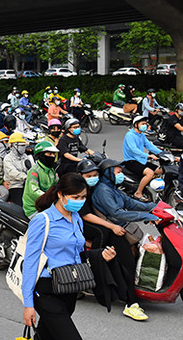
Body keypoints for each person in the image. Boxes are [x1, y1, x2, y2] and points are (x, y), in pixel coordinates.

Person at [22, 173, 116, 339]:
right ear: (61, 194)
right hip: (46, 290)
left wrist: (101, 255)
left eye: (83, 197)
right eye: (75, 197)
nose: (80, 201)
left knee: (47, 335)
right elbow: (30, 262)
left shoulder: (76, 218)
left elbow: (77, 254)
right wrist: (28, 305)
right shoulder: (43, 220)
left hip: (69, 286)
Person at [87, 158, 152, 321]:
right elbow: (117, 213)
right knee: (128, 264)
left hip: (121, 228)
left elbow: (131, 203)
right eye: (118, 172)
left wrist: (155, 207)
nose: (121, 175)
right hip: (113, 231)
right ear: (109, 173)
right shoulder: (103, 191)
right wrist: (147, 216)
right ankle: (131, 304)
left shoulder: (112, 188)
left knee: (136, 255)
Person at [123, 116, 163, 200]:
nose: (145, 125)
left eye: (145, 124)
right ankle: (138, 192)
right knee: (150, 173)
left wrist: (163, 153)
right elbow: (134, 149)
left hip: (141, 160)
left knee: (160, 170)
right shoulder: (130, 135)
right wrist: (148, 156)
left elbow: (150, 146)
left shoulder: (141, 135)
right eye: (143, 124)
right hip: (131, 161)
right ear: (136, 125)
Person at [22, 141, 59, 217]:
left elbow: (57, 184)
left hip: (47, 205)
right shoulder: (34, 171)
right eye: (50, 154)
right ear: (41, 155)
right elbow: (34, 191)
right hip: (34, 208)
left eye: (53, 154)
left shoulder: (51, 170)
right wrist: (50, 197)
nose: (52, 156)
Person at [4, 133, 30, 206]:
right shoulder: (8, 158)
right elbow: (12, 172)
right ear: (14, 146)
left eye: (24, 145)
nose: (23, 147)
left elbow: (32, 167)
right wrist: (25, 177)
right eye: (21, 145)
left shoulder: (25, 156)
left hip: (26, 184)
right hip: (15, 185)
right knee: (21, 206)